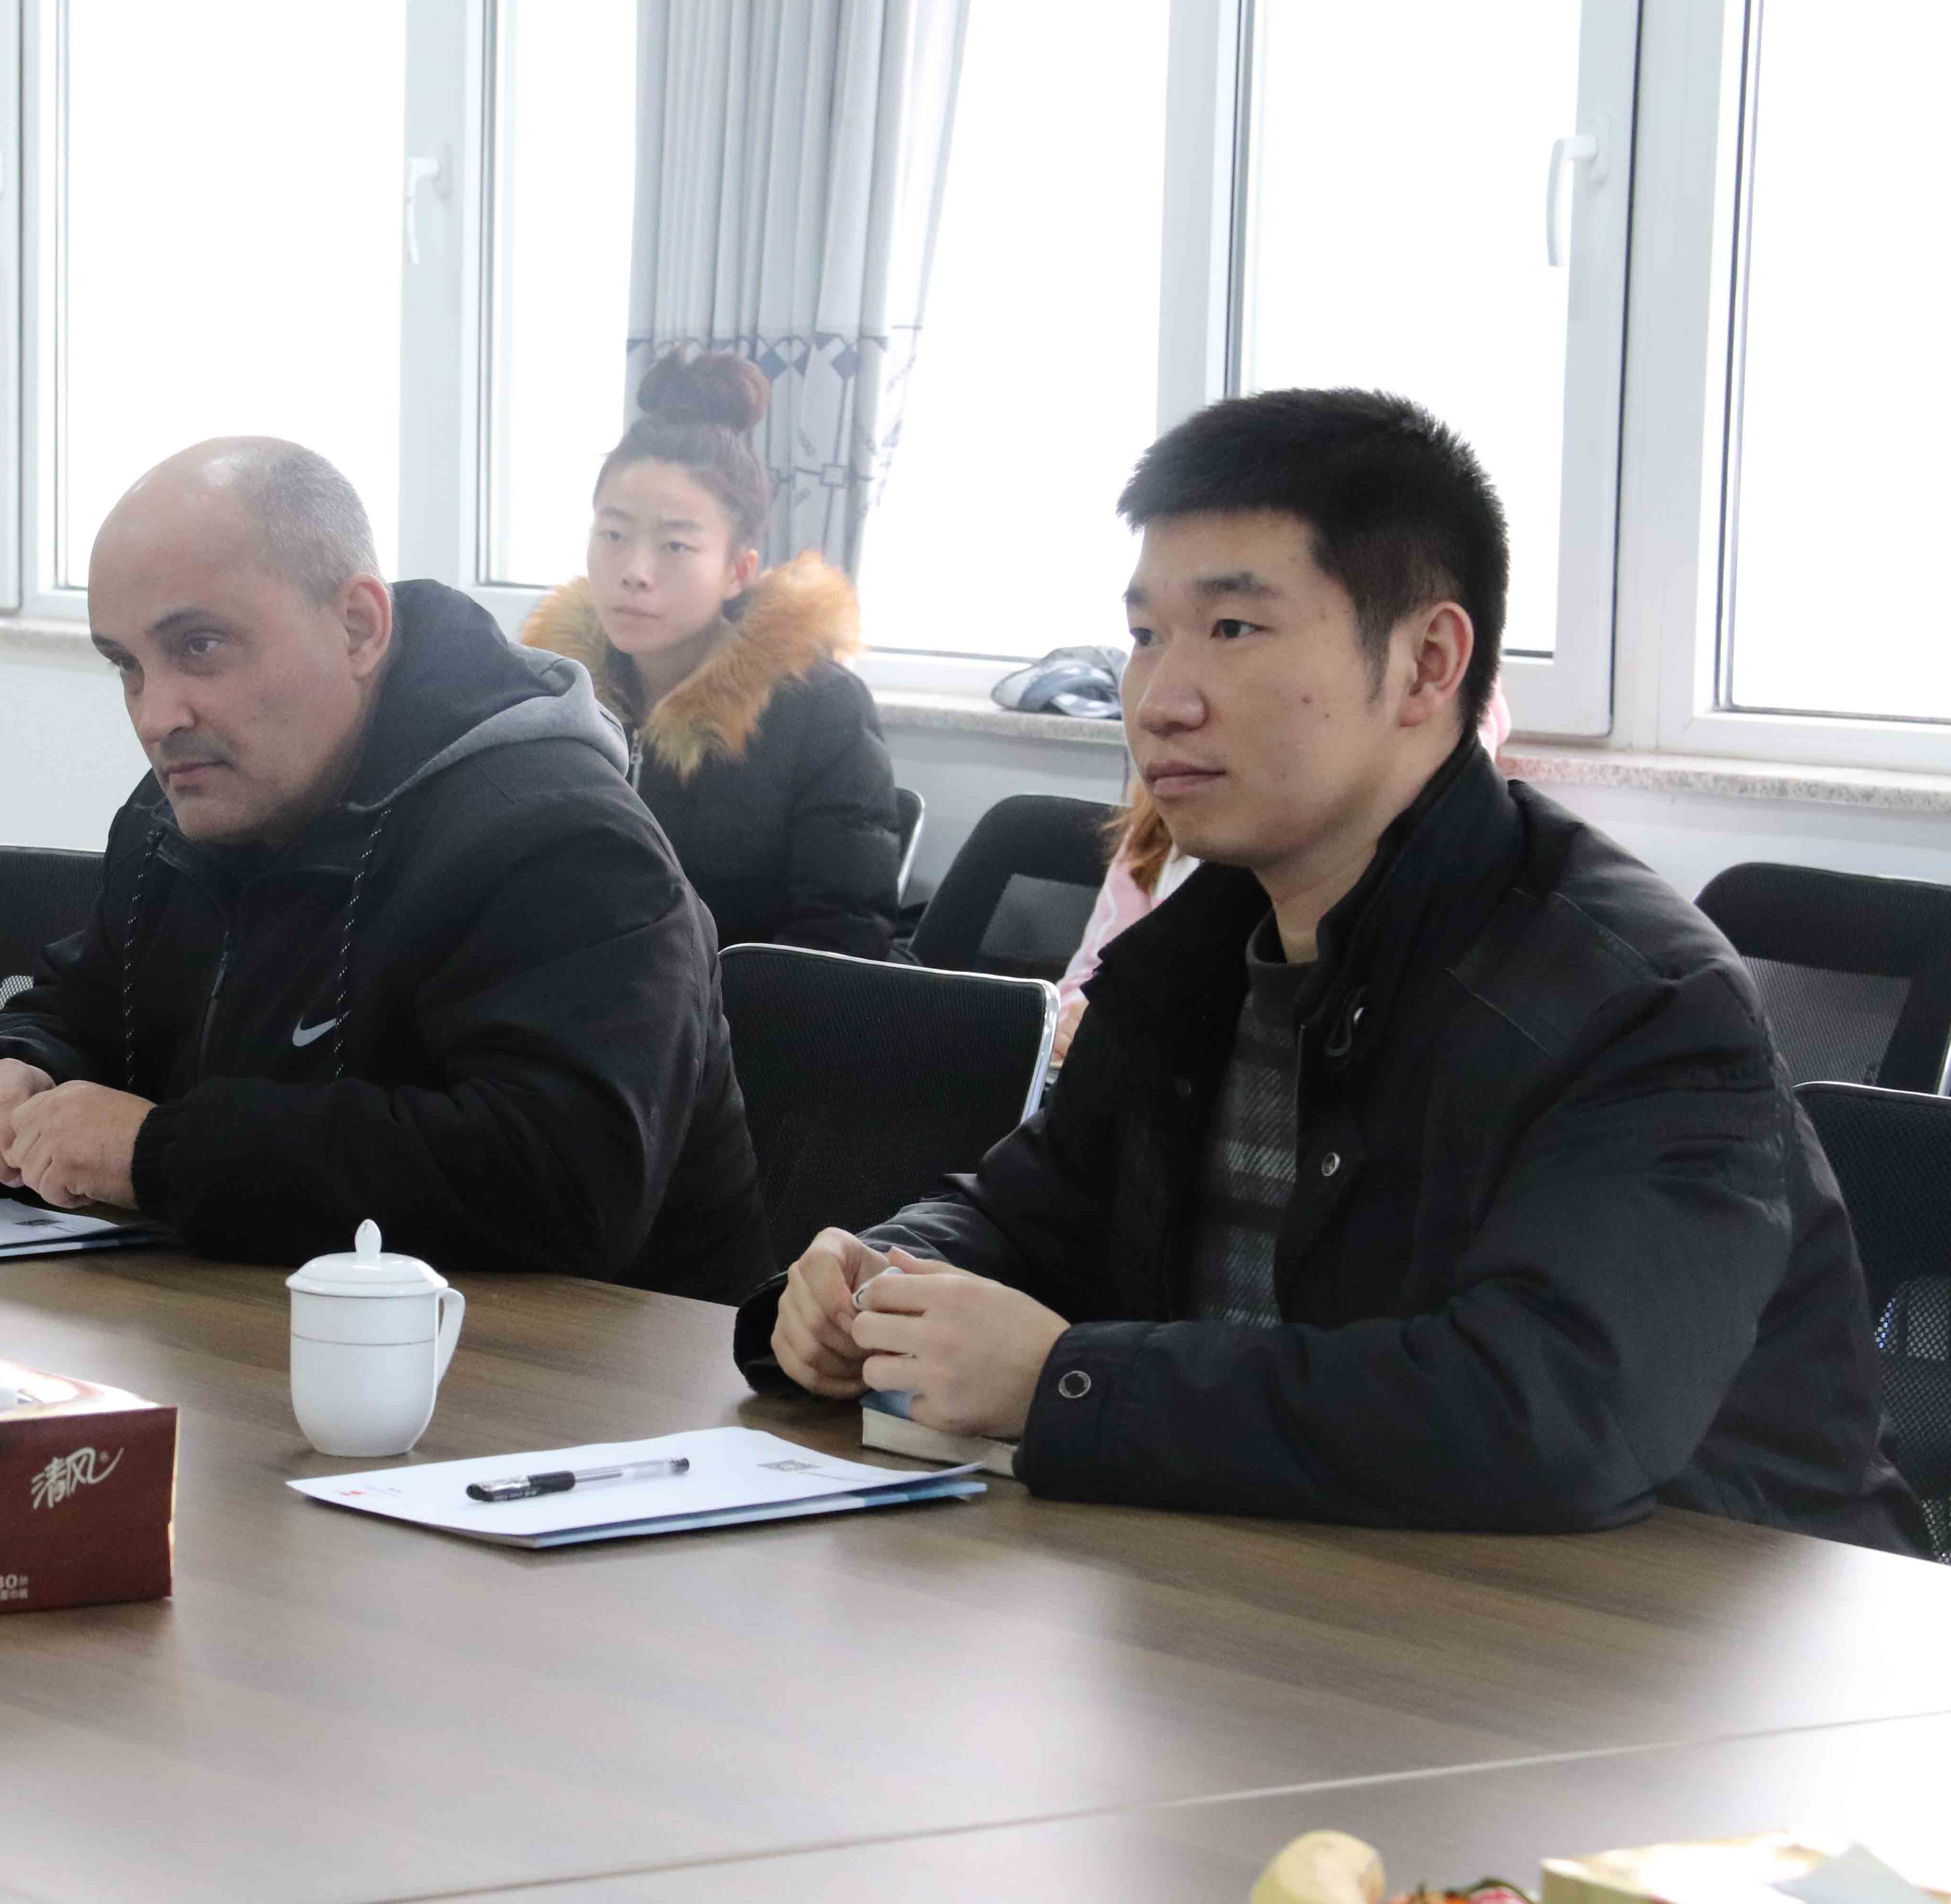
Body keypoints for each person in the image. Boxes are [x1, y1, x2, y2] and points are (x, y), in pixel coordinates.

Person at [741, 388, 1923, 1553]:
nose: (1160, 700)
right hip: (1306, 1590)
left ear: (1427, 663)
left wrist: (1065, 1379)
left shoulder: (1636, 1004)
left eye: (1232, 629)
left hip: (1684, 1631)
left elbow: (1549, 1411)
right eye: (1146, 635)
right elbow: (1033, 1210)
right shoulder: (1197, 951)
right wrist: (879, 1278)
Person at [0, 437, 769, 1302]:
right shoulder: (191, 807)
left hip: (576, 1373)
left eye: (200, 646)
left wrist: (156, 1153)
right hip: (256, 1340)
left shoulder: (562, 838)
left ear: (358, 627)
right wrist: (8, 1072)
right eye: (128, 666)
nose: (156, 715)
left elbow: (562, 1179)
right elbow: (92, 1005)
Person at [520, 349, 898, 959]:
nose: (634, 571)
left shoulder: (820, 708)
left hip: (744, 1011)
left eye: (675, 545)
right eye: (612, 535)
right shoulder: (552, 693)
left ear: (737, 571)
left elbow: (842, 942)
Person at [1051, 684, 1514, 1064]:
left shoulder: (1416, 854)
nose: (1160, 713)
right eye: (1146, 637)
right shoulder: (1157, 833)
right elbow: (1087, 981)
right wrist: (1082, 1016)